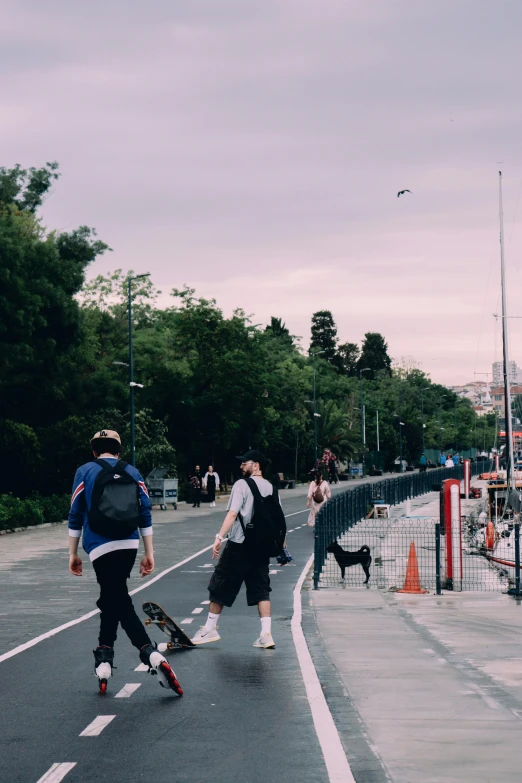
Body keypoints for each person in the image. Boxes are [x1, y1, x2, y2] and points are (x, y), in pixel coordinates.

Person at [68, 429, 182, 694]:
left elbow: (75, 513)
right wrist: (149, 552)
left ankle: (150, 655)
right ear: (119, 451)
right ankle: (104, 657)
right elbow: (145, 512)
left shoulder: (84, 471)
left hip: (99, 544)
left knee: (115, 598)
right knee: (113, 596)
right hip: (129, 543)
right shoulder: (132, 471)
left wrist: (73, 553)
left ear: (94, 450)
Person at [191, 449, 285, 650]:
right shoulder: (272, 488)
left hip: (239, 544)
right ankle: (266, 634)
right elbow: (278, 520)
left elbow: (232, 514)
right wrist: (281, 544)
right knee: (261, 589)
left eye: (245, 463)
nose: (241, 466)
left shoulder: (242, 484)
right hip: (261, 548)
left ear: (256, 465)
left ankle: (209, 628)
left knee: (220, 584)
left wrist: (218, 537)